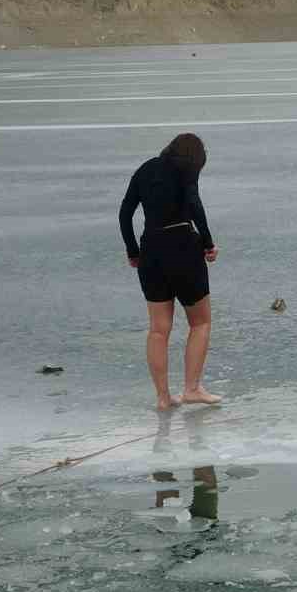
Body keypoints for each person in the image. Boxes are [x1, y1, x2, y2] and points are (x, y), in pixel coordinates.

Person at [119, 133, 221, 410]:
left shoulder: (145, 169)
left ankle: (163, 398)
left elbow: (125, 213)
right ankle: (192, 389)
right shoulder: (186, 170)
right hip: (183, 247)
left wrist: (133, 251)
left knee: (158, 330)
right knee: (200, 322)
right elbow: (194, 205)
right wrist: (208, 243)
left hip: (151, 251)